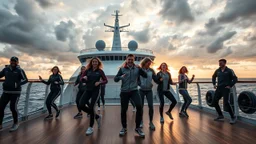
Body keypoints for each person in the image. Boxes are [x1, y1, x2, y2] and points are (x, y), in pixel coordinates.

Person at [114, 54, 147, 138]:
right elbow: (115, 79)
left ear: (134, 60)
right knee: (123, 110)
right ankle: (124, 128)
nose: (130, 61)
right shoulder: (122, 69)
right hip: (124, 92)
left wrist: (140, 68)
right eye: (129, 59)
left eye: (131, 59)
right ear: (126, 60)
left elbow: (145, 75)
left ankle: (138, 128)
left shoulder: (137, 69)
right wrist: (120, 77)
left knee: (139, 107)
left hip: (134, 91)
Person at [79, 57, 108, 135]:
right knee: (81, 105)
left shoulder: (100, 71)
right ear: (91, 63)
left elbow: (106, 80)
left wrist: (100, 83)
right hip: (88, 90)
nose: (94, 63)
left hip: (96, 91)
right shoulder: (87, 71)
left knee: (91, 108)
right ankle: (97, 117)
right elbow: (81, 78)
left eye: (96, 62)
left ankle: (91, 127)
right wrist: (83, 78)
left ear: (98, 63)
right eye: (93, 62)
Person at [0, 56, 28, 132]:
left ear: (17, 62)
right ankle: (0, 124)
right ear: (10, 61)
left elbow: (26, 80)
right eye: (12, 61)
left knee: (13, 107)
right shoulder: (6, 69)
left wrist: (18, 84)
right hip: (6, 92)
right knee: (0, 107)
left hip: (15, 92)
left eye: (14, 61)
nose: (13, 62)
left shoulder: (20, 70)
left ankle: (16, 123)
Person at [212, 59, 238, 124]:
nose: (220, 64)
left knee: (226, 103)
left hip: (225, 88)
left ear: (225, 63)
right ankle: (220, 115)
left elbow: (235, 78)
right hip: (219, 88)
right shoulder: (217, 70)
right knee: (214, 102)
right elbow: (213, 76)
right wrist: (214, 84)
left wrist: (230, 85)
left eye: (221, 62)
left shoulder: (229, 70)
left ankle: (233, 117)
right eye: (219, 63)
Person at [138, 57, 158, 130]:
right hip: (141, 90)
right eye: (148, 63)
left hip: (149, 90)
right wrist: (140, 85)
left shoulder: (152, 70)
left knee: (151, 106)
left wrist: (160, 79)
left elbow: (156, 79)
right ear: (145, 63)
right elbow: (137, 80)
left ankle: (151, 122)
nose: (149, 65)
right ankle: (140, 121)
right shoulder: (139, 70)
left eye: (150, 63)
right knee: (141, 107)